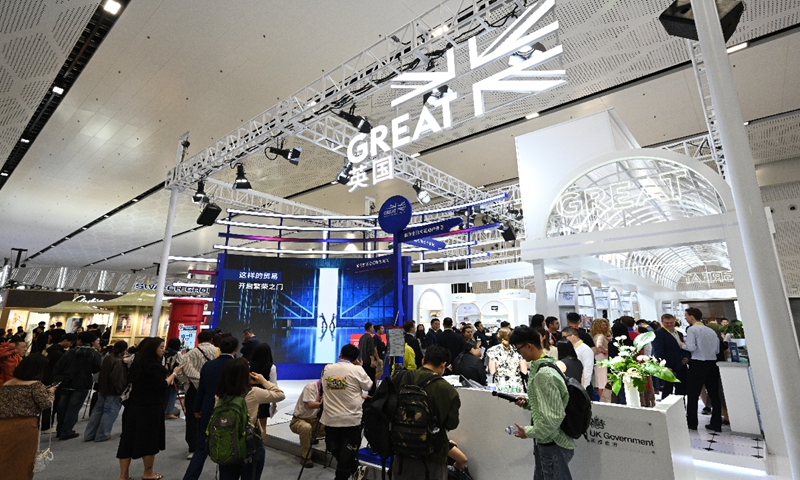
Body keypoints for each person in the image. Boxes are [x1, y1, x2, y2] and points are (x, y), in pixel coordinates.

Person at [509, 326, 575, 480]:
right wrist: (528, 403)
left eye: (519, 349)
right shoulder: (547, 365)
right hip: (548, 441)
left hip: (553, 442)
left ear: (529, 346)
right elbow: (549, 405)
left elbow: (553, 417)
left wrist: (528, 432)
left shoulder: (544, 373)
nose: (520, 354)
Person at [117, 337, 185, 480]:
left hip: (133, 406)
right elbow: (161, 385)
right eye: (160, 347)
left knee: (127, 440)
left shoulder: (136, 362)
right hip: (150, 408)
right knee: (149, 441)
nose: (163, 350)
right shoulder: (153, 366)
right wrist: (174, 373)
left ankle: (123, 475)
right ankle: (148, 473)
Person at [391, 345, 460, 480]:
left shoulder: (400, 378)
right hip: (432, 455)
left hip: (400, 450)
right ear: (443, 364)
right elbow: (452, 424)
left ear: (423, 361)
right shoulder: (447, 390)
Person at [215, 357, 285, 480]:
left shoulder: (219, 395)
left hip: (227, 443)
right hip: (250, 445)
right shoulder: (254, 393)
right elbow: (280, 395)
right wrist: (264, 381)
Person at [183, 336, 239, 480]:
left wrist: (196, 408)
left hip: (207, 409)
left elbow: (201, 389)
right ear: (236, 349)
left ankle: (190, 477)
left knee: (202, 447)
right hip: (229, 411)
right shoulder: (238, 366)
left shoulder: (209, 365)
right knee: (227, 445)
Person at [321, 344, 373, 480]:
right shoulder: (357, 370)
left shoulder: (327, 368)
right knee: (345, 453)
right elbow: (369, 385)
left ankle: (345, 475)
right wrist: (358, 367)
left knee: (338, 451)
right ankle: (356, 469)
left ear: (340, 355)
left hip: (333, 418)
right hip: (350, 419)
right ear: (355, 358)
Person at [0, 354, 56, 480]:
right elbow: (45, 404)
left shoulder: (7, 384)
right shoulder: (35, 385)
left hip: (4, 424)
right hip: (25, 426)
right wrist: (51, 392)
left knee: (5, 457)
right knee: (23, 460)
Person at [51, 332, 101, 440]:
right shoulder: (94, 354)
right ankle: (67, 431)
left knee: (62, 407)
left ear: (79, 340)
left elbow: (60, 365)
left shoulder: (70, 352)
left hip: (66, 382)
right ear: (92, 342)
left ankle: (60, 430)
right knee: (73, 408)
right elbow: (96, 368)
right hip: (82, 384)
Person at [681, 308, 722, 432]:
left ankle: (692, 423)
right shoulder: (710, 330)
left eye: (686, 316)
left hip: (698, 364)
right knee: (714, 395)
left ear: (692, 317)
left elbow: (691, 347)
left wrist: (682, 345)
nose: (686, 318)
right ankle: (716, 423)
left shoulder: (692, 329)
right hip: (712, 363)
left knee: (693, 394)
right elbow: (717, 350)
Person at [178, 330, 217, 459]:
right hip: (213, 390)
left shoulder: (189, 354)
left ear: (198, 340)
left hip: (194, 390)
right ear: (212, 339)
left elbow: (180, 373)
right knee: (213, 417)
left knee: (192, 419)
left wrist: (188, 382)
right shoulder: (218, 352)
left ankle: (193, 448)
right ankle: (212, 445)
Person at [84, 340, 128, 442]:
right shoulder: (118, 361)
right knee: (109, 412)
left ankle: (89, 434)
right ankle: (102, 435)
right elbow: (117, 379)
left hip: (102, 388)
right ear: (124, 350)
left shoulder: (108, 357)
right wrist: (120, 391)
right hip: (112, 391)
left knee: (97, 411)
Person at [651, 314, 689, 399]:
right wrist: (666, 365)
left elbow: (684, 347)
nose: (669, 325)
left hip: (681, 365)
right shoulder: (658, 334)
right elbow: (658, 351)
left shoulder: (679, 333)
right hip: (669, 366)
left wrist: (686, 357)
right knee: (667, 390)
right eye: (666, 323)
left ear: (674, 322)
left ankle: (681, 409)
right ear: (662, 322)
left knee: (682, 390)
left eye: (671, 322)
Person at [289, 380, 324, 468]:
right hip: (299, 420)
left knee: (335, 425)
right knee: (306, 428)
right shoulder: (311, 387)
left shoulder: (330, 389)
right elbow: (310, 404)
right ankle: (305, 457)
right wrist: (326, 404)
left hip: (316, 420)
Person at [249, 342, 278, 440]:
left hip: (251, 396)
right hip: (264, 398)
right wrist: (274, 402)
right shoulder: (271, 367)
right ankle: (260, 447)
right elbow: (273, 385)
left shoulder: (249, 365)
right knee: (263, 425)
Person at [486, 327, 527, 392]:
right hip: (516, 384)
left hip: (501, 384)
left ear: (498, 336)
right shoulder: (518, 349)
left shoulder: (492, 351)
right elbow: (524, 371)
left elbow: (492, 371)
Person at [590, 319, 610, 399]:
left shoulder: (596, 336)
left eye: (605, 325)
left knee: (600, 381)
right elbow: (599, 346)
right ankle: (604, 399)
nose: (605, 327)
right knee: (603, 381)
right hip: (602, 359)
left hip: (599, 358)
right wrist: (606, 351)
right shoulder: (600, 336)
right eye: (603, 325)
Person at [164, 338, 182, 419]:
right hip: (173, 376)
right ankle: (169, 412)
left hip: (165, 376)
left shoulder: (165, 352)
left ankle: (164, 410)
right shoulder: (177, 354)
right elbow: (181, 364)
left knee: (166, 394)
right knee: (173, 394)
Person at [358, 322, 378, 395]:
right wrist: (372, 360)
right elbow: (370, 350)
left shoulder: (362, 337)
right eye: (372, 327)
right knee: (372, 378)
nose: (373, 329)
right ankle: (372, 395)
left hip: (363, 361)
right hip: (368, 362)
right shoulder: (369, 338)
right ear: (370, 328)